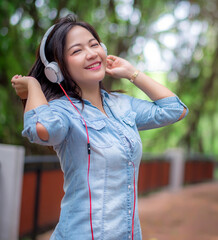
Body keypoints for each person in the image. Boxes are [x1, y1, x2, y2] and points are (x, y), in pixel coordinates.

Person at [11, 14, 187, 240]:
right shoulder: (63, 112)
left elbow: (175, 110)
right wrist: (34, 85)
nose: (91, 53)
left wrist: (132, 74)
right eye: (77, 51)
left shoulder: (122, 105)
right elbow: (41, 129)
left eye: (94, 45)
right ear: (56, 69)